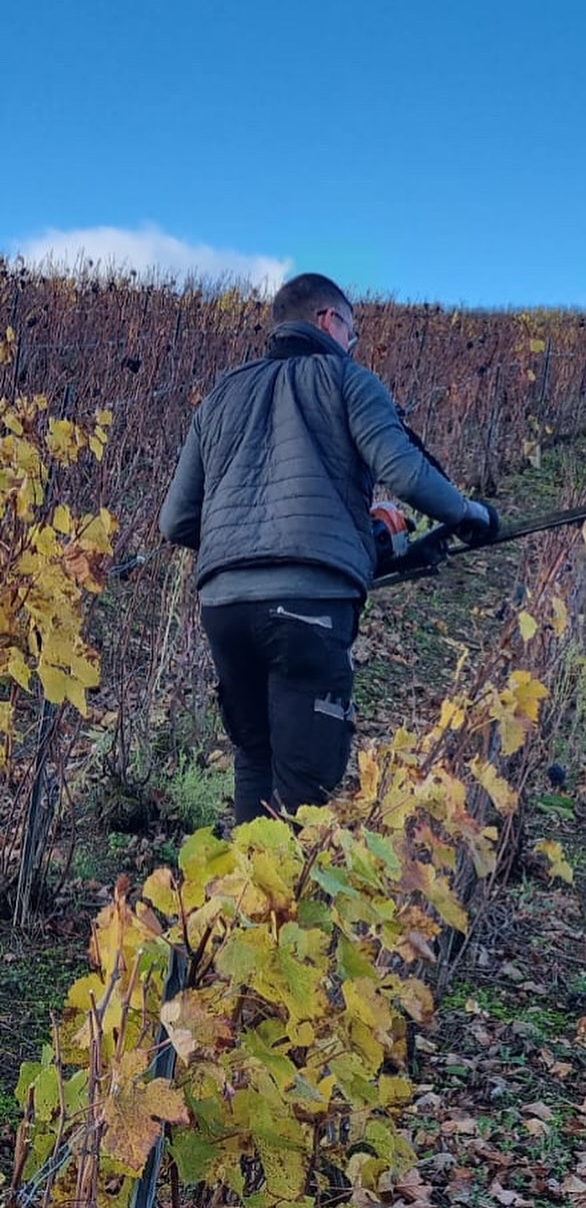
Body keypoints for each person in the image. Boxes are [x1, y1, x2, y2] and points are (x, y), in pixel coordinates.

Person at [159, 272, 498, 824]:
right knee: (304, 787)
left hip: (224, 608)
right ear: (328, 321)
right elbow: (405, 474)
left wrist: (245, 540)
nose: (353, 345)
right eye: (353, 333)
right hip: (308, 607)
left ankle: (243, 903)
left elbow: (174, 521)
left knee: (254, 758)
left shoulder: (221, 395)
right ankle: (291, 902)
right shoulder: (348, 381)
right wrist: (469, 514)